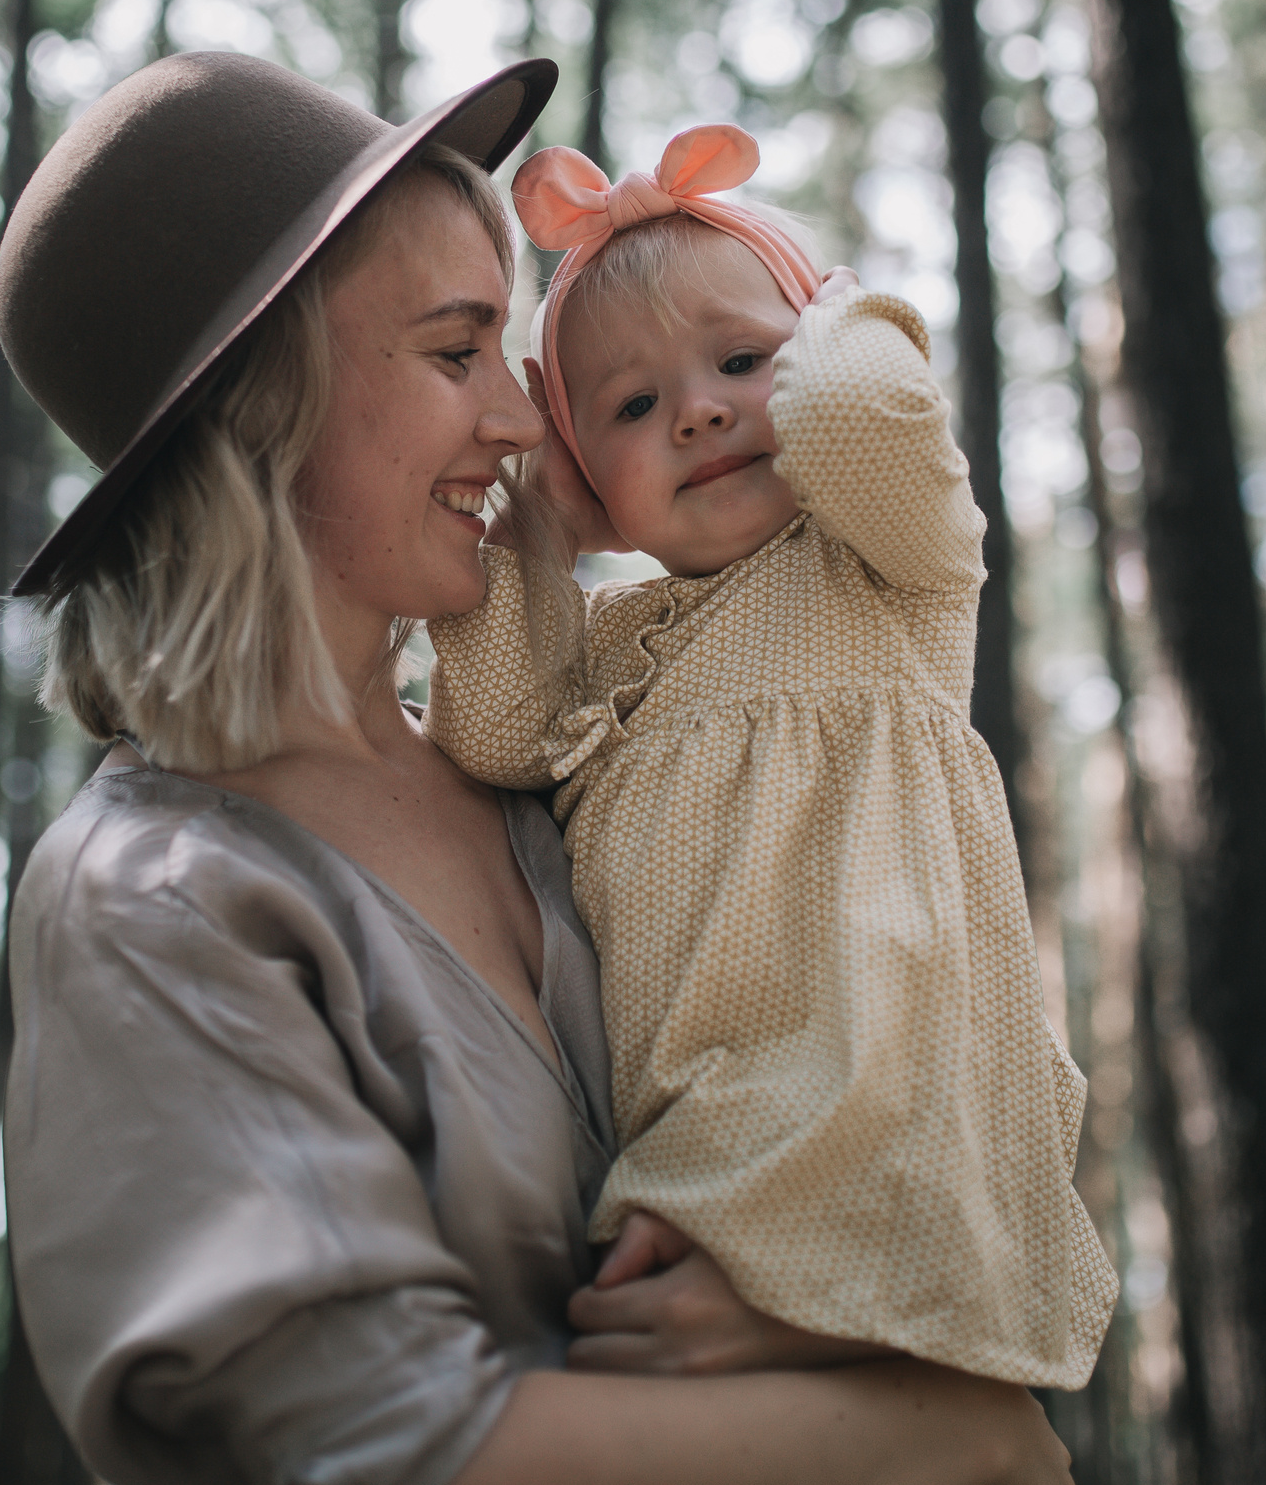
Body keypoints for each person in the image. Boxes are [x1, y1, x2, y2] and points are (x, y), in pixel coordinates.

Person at [0, 51, 1076, 1485]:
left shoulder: (567, 775)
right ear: (259, 408)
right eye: (460, 354)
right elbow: (393, 1449)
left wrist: (830, 1291)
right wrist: (955, 1434)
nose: (523, 423)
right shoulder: (160, 897)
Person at [425, 125, 1118, 1388]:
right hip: (697, 1144)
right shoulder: (611, 644)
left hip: (889, 1124)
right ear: (588, 468)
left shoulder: (890, 566)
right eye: (632, 408)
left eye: (744, 361)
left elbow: (859, 417)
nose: (697, 411)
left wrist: (842, 315)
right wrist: (540, 533)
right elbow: (491, 732)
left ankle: (843, 1306)